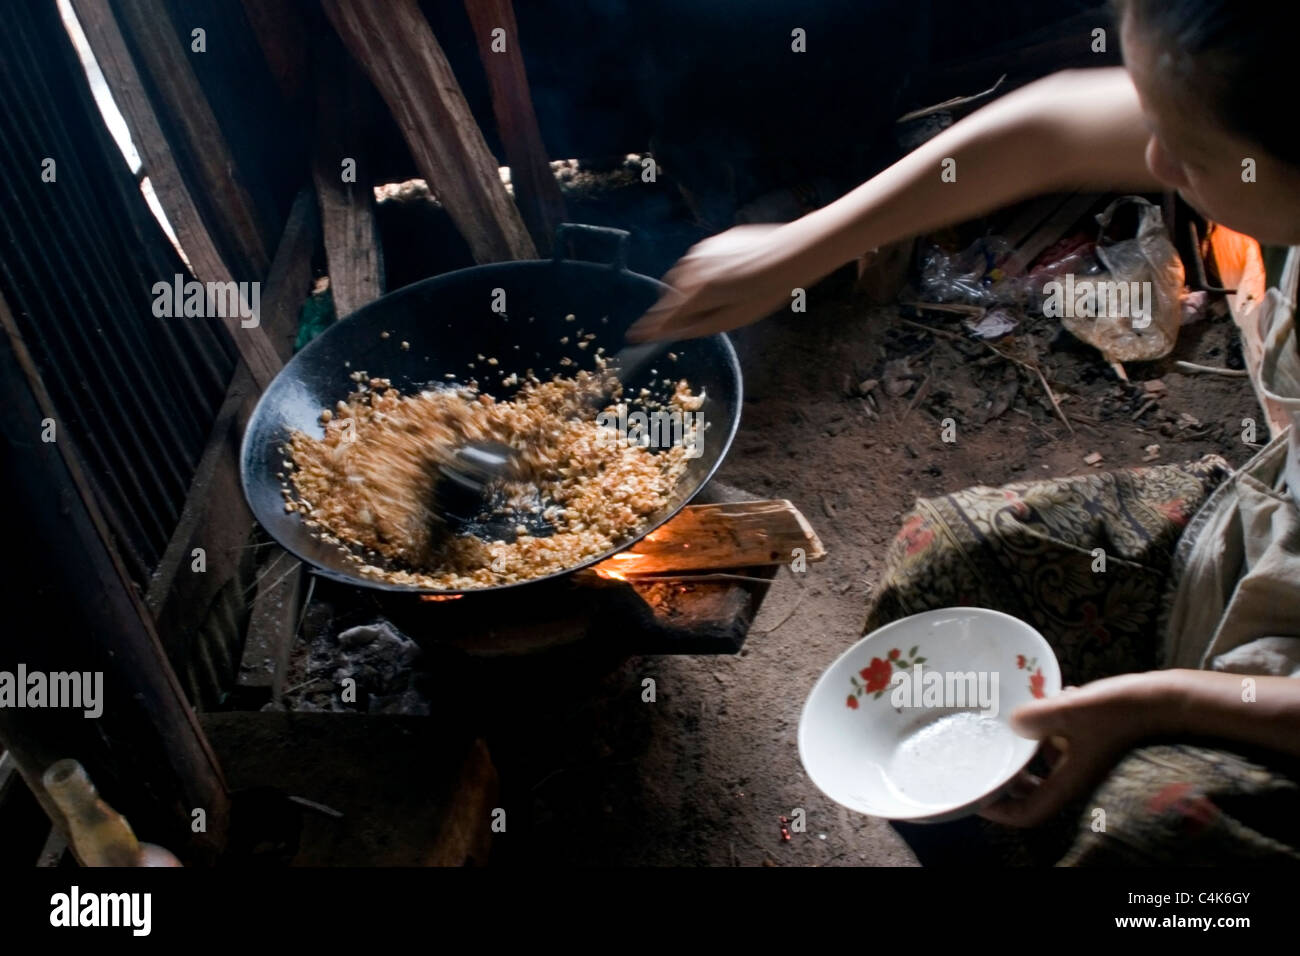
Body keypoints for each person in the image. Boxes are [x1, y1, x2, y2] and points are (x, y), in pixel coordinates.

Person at [630, 0, 1300, 863]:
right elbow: (1055, 128)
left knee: (1146, 838)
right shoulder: (1259, 104)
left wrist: (1151, 704)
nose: (1153, 160)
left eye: (1192, 151)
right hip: (1270, 541)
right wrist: (800, 247)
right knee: (944, 563)